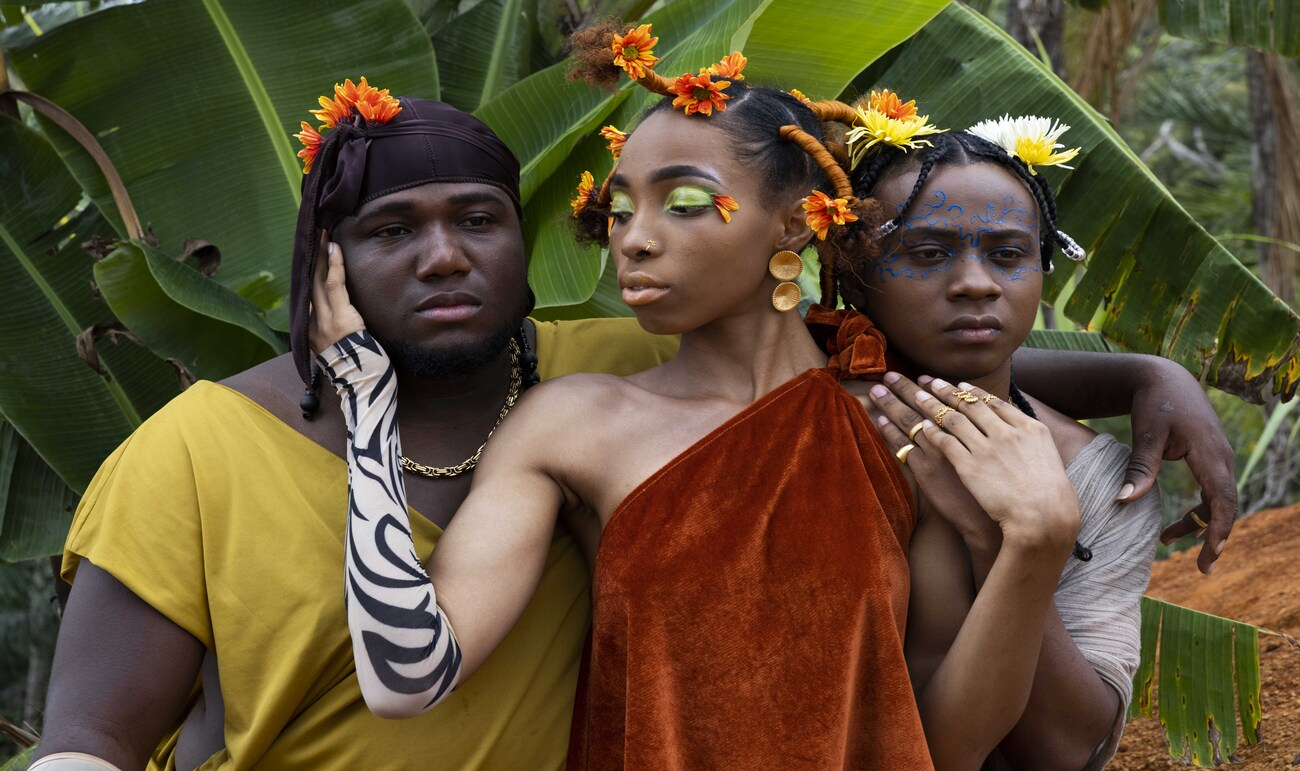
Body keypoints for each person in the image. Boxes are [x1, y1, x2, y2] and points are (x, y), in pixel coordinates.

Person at [33, 74, 1231, 771]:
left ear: (799, 225)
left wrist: (1033, 539)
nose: (635, 237)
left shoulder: (892, 419)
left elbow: (944, 742)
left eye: (686, 200)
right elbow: (408, 679)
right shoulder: (577, 410)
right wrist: (359, 395)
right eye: (618, 210)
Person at [821, 95, 1160, 769]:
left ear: (1042, 268)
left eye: (1008, 253)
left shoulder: (1102, 479)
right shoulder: (803, 420)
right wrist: (1142, 375)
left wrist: (999, 535)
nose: (975, 284)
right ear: (853, 271)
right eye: (927, 251)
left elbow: (1068, 747)